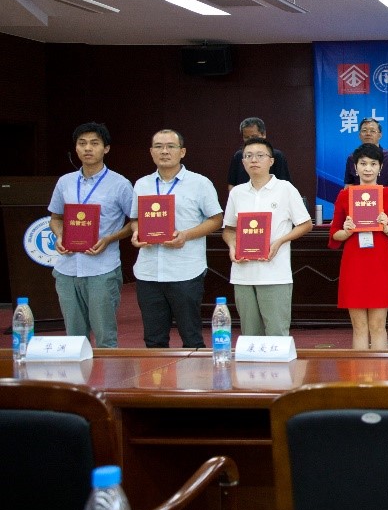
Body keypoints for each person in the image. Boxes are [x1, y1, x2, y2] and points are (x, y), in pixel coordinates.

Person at [129, 129, 224, 348]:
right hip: (148, 272)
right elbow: (135, 219)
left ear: (182, 152)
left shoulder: (200, 183)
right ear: (151, 152)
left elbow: (216, 219)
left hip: (185, 271)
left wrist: (186, 235)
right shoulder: (142, 184)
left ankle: (194, 372)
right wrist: (136, 232)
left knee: (191, 338)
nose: (164, 151)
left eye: (170, 146)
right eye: (159, 147)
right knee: (153, 340)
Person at [46, 122, 135, 348]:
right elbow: (55, 218)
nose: (88, 148)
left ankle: (108, 373)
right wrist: (59, 236)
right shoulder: (65, 182)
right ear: (76, 148)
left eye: (94, 143)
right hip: (67, 268)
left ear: (106, 148)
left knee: (105, 338)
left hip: (102, 269)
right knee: (74, 339)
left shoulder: (120, 184)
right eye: (82, 143)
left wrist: (109, 239)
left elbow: (136, 222)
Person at [222, 137, 313, 336]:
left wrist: (280, 241)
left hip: (275, 274)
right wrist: (232, 246)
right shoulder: (237, 193)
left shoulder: (285, 189)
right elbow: (228, 229)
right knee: (250, 334)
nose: (254, 160)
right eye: (248, 156)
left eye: (260, 155)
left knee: (276, 334)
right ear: (243, 162)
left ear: (271, 161)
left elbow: (306, 224)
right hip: (243, 274)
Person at [329, 143, 388, 350]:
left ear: (380, 168)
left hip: (380, 265)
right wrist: (346, 230)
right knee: (359, 327)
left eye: (373, 164)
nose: (368, 168)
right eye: (363, 164)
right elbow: (334, 235)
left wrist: (386, 227)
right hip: (354, 265)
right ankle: (360, 372)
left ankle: (380, 372)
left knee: (378, 326)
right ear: (355, 167)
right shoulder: (344, 195)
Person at [342, 118, 388, 202]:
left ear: (380, 135)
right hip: (360, 204)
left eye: (372, 131)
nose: (368, 134)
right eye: (364, 130)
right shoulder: (352, 158)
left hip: (385, 204)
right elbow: (349, 185)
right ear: (359, 135)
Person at [226, 116, 291, 196]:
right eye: (246, 137)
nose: (251, 140)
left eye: (254, 136)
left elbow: (284, 184)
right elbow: (232, 183)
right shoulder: (239, 156)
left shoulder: (277, 155)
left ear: (264, 134)